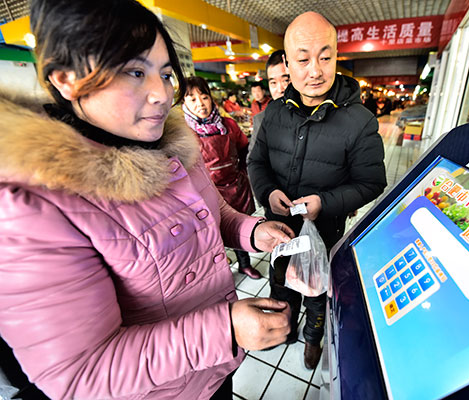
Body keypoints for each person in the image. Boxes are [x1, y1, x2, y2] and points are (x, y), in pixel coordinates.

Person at [0, 1, 295, 399]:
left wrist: (252, 232)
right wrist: (224, 329)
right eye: (135, 72)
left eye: (166, 73)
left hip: (213, 370)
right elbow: (79, 374)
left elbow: (211, 214)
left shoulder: (170, 147)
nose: (162, 94)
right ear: (67, 79)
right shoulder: (33, 206)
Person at [248, 11, 386, 370]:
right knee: (280, 285)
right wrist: (267, 193)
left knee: (316, 290)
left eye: (326, 57)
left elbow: (372, 182)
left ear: (337, 57)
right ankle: (284, 329)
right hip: (279, 230)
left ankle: (312, 339)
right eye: (303, 59)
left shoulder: (359, 120)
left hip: (322, 233)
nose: (316, 70)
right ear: (288, 63)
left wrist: (324, 203)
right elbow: (256, 163)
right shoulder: (274, 114)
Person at [183, 77, 262, 279]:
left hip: (236, 188)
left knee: (237, 228)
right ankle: (221, 270)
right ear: (183, 103)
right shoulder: (183, 134)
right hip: (205, 193)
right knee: (212, 234)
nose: (200, 103)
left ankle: (244, 264)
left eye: (204, 97)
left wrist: (243, 173)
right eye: (192, 99)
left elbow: (245, 149)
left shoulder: (228, 124)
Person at [248, 49, 290, 156]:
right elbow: (253, 160)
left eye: (286, 80)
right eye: (273, 83)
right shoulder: (261, 120)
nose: (280, 89)